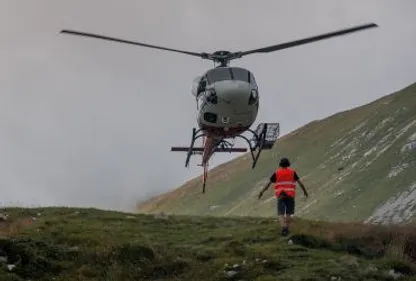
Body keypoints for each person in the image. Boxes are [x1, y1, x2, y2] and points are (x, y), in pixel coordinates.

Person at [258, 157, 308, 236]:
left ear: (280, 164)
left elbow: (268, 184)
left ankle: (284, 228)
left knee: (280, 213)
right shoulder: (292, 172)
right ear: (288, 164)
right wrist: (305, 191)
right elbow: (300, 183)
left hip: (281, 194)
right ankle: (286, 229)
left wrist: (261, 192)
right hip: (290, 195)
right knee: (289, 213)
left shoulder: (277, 173)